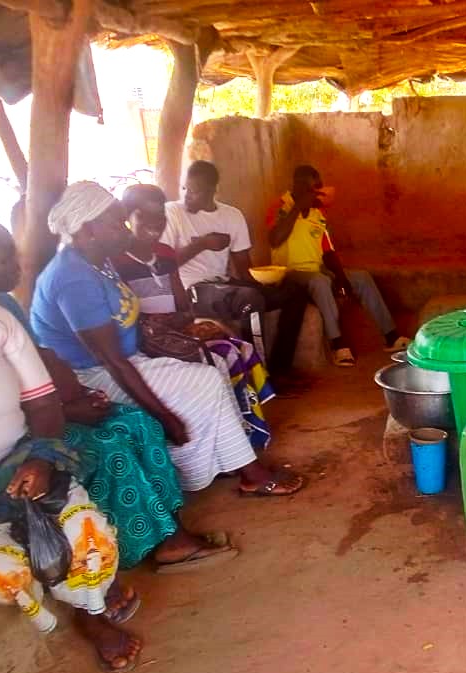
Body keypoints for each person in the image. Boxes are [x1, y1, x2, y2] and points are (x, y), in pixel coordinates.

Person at [0, 215, 237, 572]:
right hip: (8, 437)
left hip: (46, 410)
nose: (16, 265)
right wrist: (68, 411)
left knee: (138, 423)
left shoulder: (2, 305)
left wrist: (75, 397)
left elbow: (38, 365)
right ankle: (156, 543)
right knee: (107, 447)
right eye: (4, 258)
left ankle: (168, 527)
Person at [0, 213, 141, 673]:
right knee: (3, 575)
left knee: (89, 539)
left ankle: (92, 613)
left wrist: (42, 458)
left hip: (15, 465)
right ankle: (48, 589)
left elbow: (45, 406)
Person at [30, 181, 303, 496]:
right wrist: (165, 416)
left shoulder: (95, 261)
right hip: (93, 377)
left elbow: (125, 321)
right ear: (88, 230)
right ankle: (243, 472)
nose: (124, 229)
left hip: (127, 360)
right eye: (117, 223)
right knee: (206, 381)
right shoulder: (72, 278)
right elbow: (112, 361)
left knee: (213, 368)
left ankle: (233, 462)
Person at [115, 184, 277, 449]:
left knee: (238, 348)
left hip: (175, 329)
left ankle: (245, 428)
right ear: (127, 216)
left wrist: (197, 323)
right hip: (147, 339)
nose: (155, 223)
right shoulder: (117, 261)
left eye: (160, 217)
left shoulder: (165, 253)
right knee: (218, 358)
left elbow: (181, 301)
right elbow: (130, 315)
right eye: (144, 216)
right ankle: (226, 437)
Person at [159, 161, 309, 389]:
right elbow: (166, 263)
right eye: (185, 189)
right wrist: (202, 244)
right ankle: (258, 376)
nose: (187, 196)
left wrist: (266, 286)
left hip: (224, 285)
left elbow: (242, 265)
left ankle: (280, 368)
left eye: (195, 190)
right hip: (193, 289)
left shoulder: (231, 215)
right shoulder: (173, 213)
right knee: (249, 299)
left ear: (212, 190)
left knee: (294, 291)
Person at [268, 164, 410, 368]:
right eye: (312, 190)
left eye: (318, 189)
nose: (317, 194)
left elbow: (328, 252)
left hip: (316, 270)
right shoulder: (280, 206)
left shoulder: (318, 214)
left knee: (361, 278)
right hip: (290, 273)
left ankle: (391, 336)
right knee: (321, 281)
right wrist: (298, 206)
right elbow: (274, 239)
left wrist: (342, 278)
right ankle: (338, 345)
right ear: (298, 187)